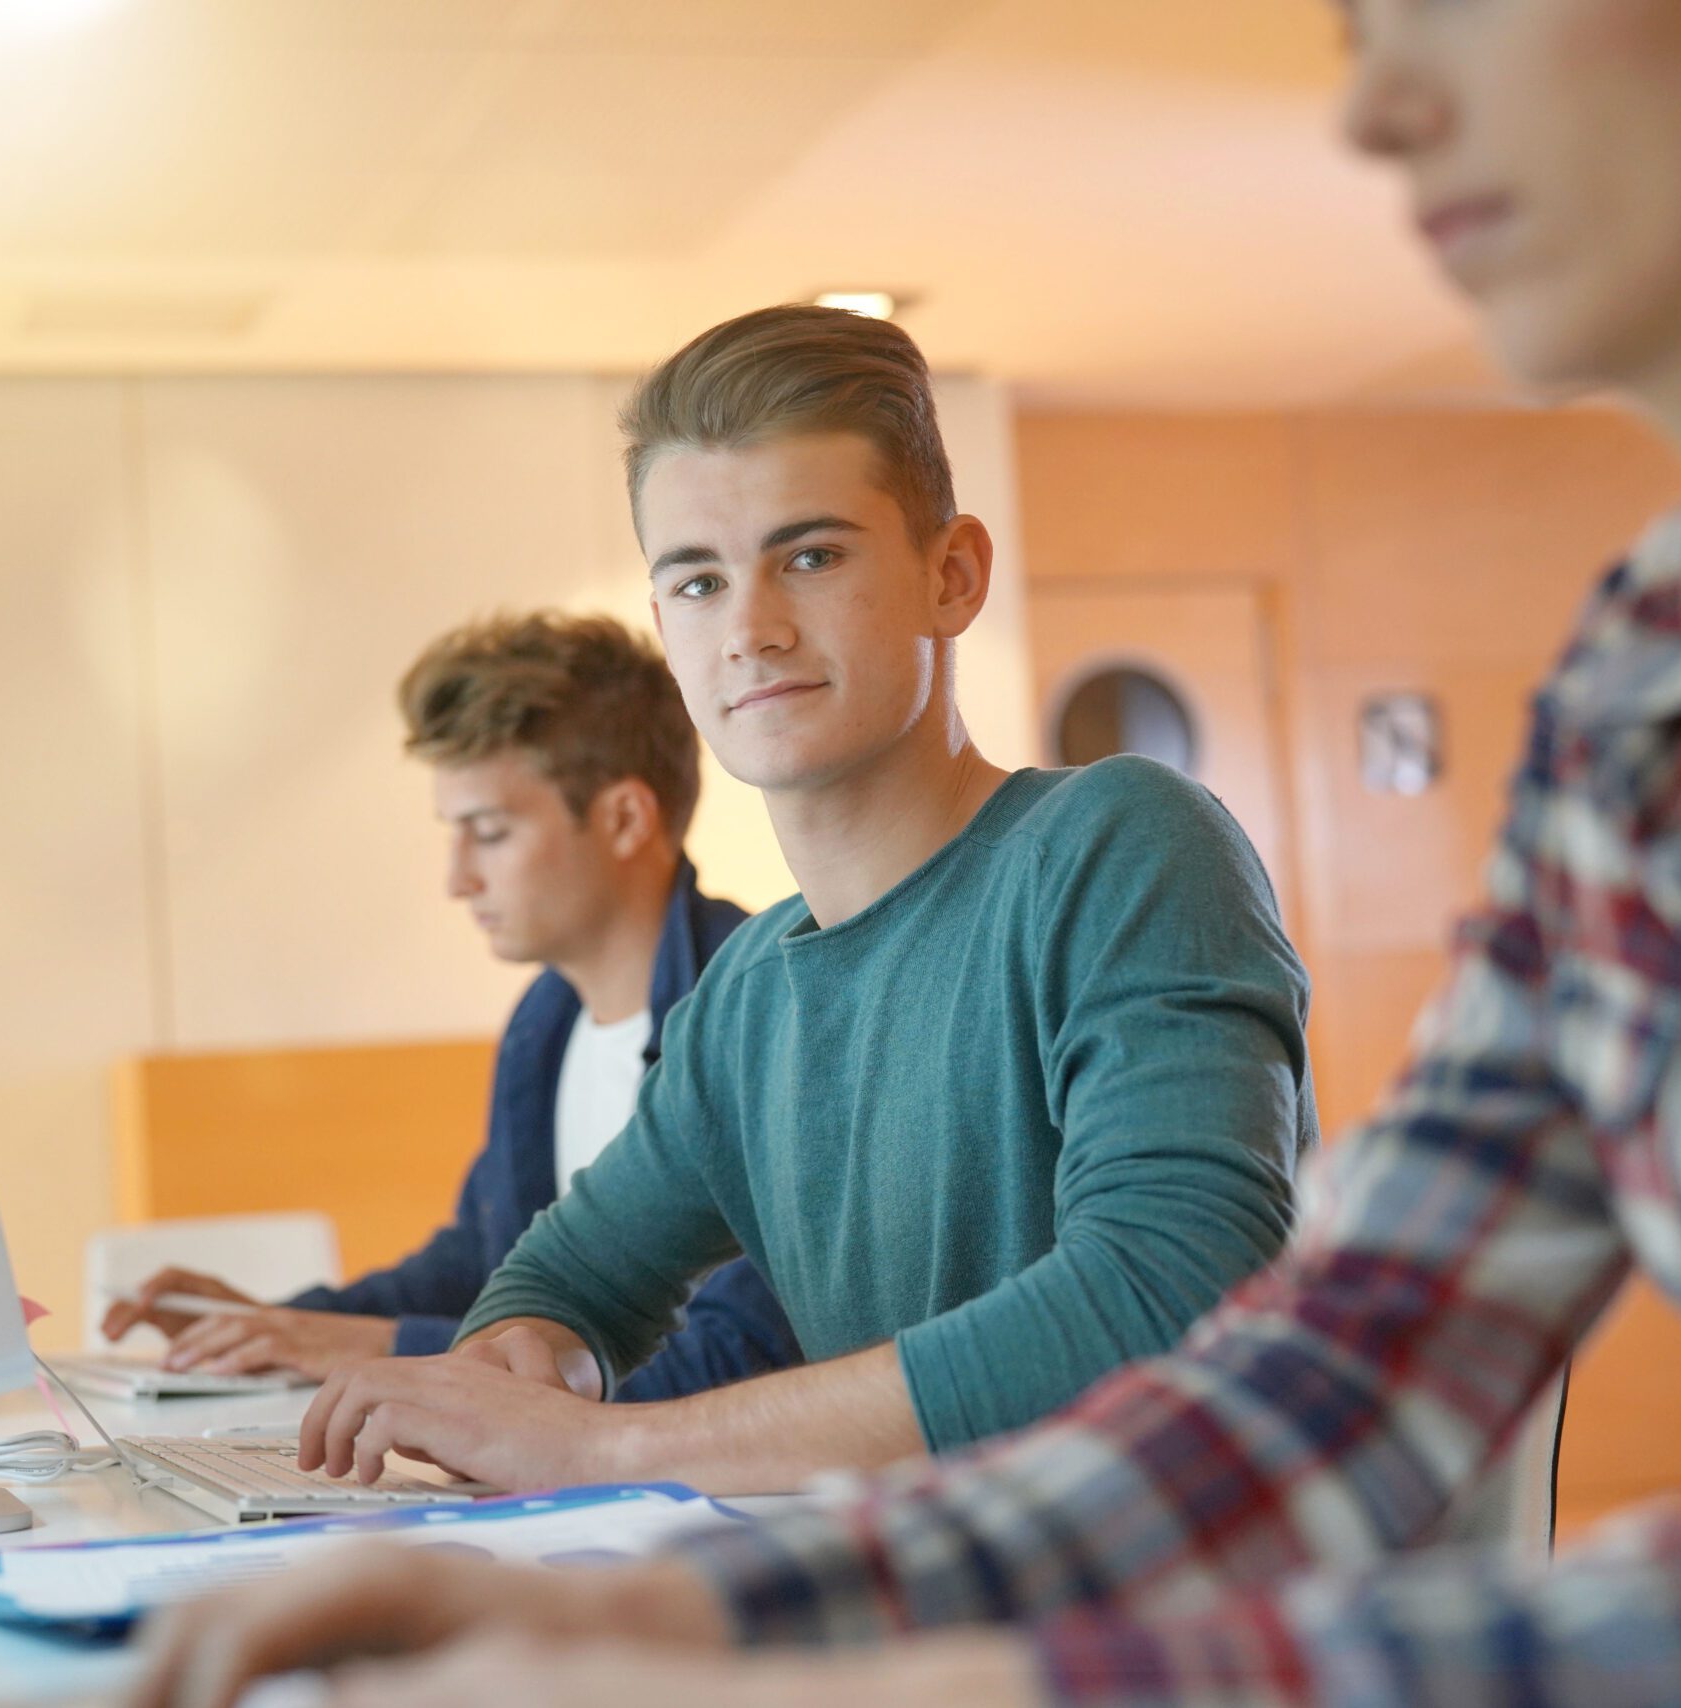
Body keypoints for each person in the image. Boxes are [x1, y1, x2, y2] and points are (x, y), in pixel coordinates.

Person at [128, 0, 1681, 1702]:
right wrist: (662, 1610)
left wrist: (804, 1602)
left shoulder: (1114, 844)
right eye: (1359, 27)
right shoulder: (1650, 687)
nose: (1374, 108)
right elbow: (1333, 1364)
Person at [281, 305, 1318, 1500]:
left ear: (952, 573)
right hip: (894, 1604)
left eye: (812, 556)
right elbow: (561, 1279)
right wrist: (517, 1362)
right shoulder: (750, 993)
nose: (752, 630)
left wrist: (605, 1447)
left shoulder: (1119, 844)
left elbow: (1169, 1289)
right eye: (699, 581)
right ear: (665, 625)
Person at [101, 612, 798, 1399]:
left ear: (625, 819)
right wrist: (278, 1327)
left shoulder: (763, 1014)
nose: (457, 880)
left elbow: (732, 1361)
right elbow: (477, 1263)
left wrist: (379, 1348)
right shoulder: (545, 1023)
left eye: (490, 833)